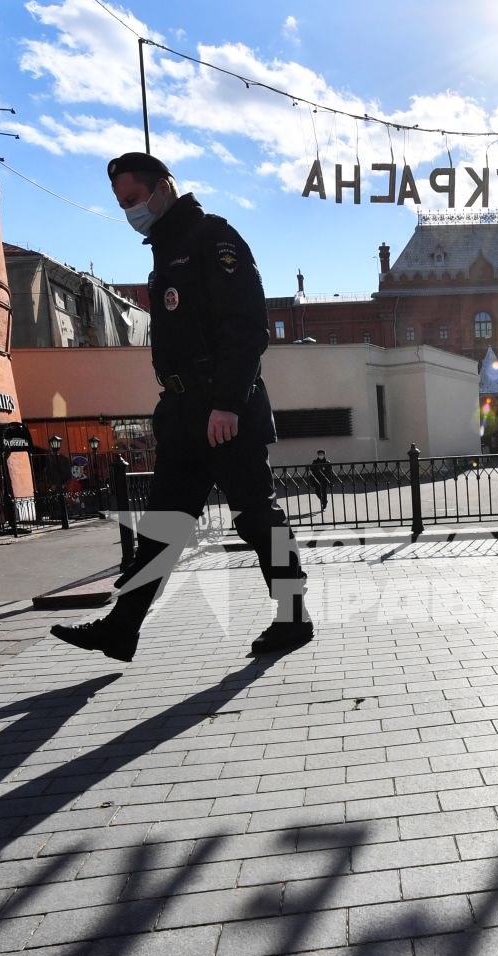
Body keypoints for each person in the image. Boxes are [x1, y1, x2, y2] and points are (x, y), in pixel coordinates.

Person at [50, 152, 312, 661]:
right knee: (163, 527)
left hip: (225, 413)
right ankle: (123, 627)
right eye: (122, 203)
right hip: (185, 413)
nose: (130, 210)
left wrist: (228, 404)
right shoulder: (165, 253)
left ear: (163, 187)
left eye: (134, 199)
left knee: (257, 518)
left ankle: (294, 617)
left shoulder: (214, 239)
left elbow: (246, 327)